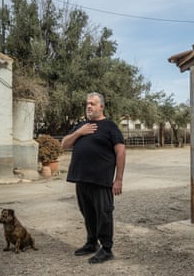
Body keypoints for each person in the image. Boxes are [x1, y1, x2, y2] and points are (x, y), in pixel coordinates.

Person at [61, 92, 126, 264]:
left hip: (101, 181)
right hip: (81, 179)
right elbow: (64, 144)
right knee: (87, 213)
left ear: (101, 107)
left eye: (93, 103)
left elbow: (120, 152)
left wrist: (118, 179)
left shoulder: (110, 127)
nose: (89, 106)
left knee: (104, 215)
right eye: (87, 104)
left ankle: (106, 249)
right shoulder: (81, 126)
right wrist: (79, 133)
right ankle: (91, 243)